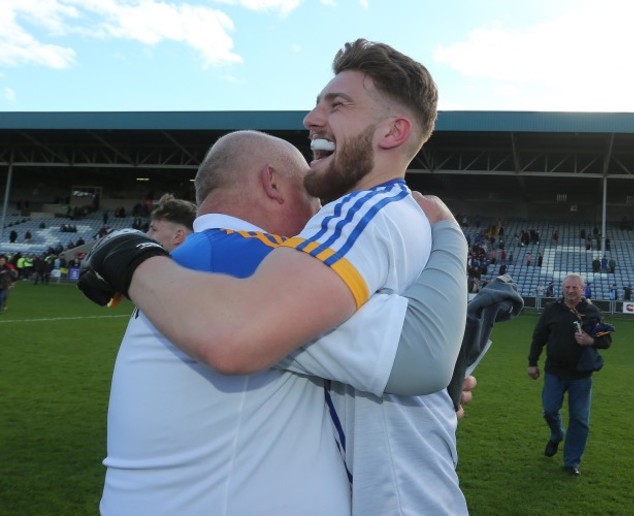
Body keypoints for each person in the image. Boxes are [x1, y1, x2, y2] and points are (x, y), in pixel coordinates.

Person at [79, 39, 470, 514]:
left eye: (337, 103)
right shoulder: (239, 259)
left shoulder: (357, 222)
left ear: (393, 131)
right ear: (270, 183)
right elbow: (420, 353)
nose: (311, 118)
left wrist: (126, 254)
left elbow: (420, 355)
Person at [528, 273, 613, 476]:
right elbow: (539, 337)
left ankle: (572, 462)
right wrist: (532, 363)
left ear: (583, 290)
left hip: (581, 376)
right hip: (554, 372)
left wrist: (590, 341)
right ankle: (557, 434)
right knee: (549, 410)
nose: (571, 291)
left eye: (575, 288)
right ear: (563, 289)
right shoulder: (552, 310)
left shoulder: (592, 313)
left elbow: (606, 341)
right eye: (567, 287)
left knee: (580, 419)